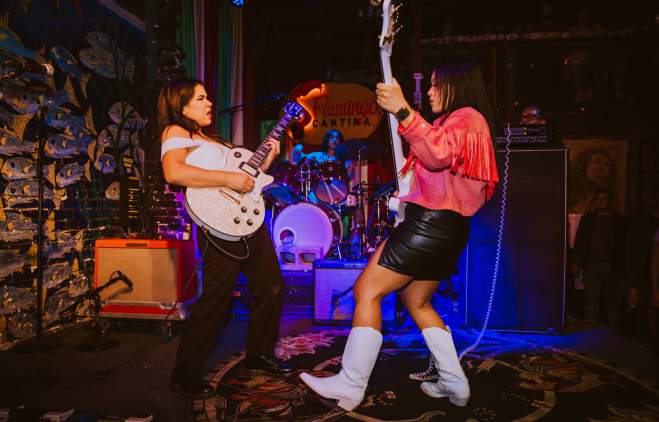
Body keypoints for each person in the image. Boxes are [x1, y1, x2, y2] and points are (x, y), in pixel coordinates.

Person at [299, 58, 499, 410]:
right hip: (447, 228)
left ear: (458, 84)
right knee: (416, 301)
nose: (432, 91)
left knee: (366, 290)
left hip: (429, 225)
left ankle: (350, 383)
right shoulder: (463, 122)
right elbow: (446, 174)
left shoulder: (466, 117)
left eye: (437, 84)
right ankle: (454, 381)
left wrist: (404, 110)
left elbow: (437, 155)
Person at [157, 78, 293, 400]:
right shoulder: (175, 133)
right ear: (182, 105)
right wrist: (229, 177)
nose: (209, 104)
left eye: (208, 97)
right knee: (217, 297)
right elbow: (173, 173)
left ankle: (259, 356)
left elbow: (247, 177)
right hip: (217, 223)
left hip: (248, 219)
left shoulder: (210, 139)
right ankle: (185, 372)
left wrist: (266, 159)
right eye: (201, 98)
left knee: (271, 285)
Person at [572, 188, 626, 331]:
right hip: (592, 263)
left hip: (611, 265)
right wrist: (577, 262)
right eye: (599, 199)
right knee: (591, 299)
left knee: (612, 300)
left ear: (610, 201)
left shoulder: (619, 221)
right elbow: (580, 241)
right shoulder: (588, 219)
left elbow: (623, 245)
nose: (601, 202)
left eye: (604, 199)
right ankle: (590, 330)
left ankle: (614, 333)